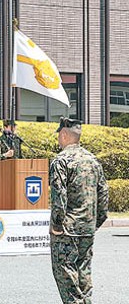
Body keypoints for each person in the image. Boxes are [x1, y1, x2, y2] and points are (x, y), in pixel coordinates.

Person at [50, 117, 108, 304]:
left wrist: (57, 225)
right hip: (87, 228)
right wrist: (96, 221)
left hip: (67, 230)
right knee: (84, 273)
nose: (59, 139)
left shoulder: (61, 161)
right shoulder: (93, 160)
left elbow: (59, 196)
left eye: (59, 135)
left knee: (66, 276)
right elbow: (103, 194)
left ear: (65, 134)